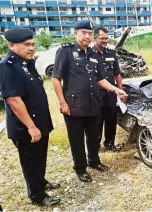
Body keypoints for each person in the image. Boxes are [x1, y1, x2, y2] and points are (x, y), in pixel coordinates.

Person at [52, 20, 127, 182]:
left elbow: (100, 79)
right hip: (74, 106)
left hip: (94, 103)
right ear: (75, 34)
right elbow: (56, 79)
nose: (87, 36)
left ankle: (94, 161)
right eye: (83, 33)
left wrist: (116, 89)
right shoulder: (66, 52)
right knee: (77, 139)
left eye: (89, 33)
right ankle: (80, 168)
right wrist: (62, 102)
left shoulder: (93, 55)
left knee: (93, 137)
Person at [0, 28, 60, 206]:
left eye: (33, 44)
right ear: (11, 45)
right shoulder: (7, 66)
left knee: (40, 157)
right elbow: (13, 100)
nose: (31, 48)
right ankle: (37, 195)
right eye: (26, 45)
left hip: (39, 122)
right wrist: (31, 127)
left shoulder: (26, 63)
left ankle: (40, 182)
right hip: (26, 128)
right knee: (30, 162)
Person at [93, 27, 123, 152]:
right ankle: (95, 146)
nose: (105, 41)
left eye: (107, 38)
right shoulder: (90, 53)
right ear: (95, 37)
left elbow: (117, 73)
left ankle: (109, 143)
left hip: (111, 93)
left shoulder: (111, 52)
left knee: (111, 119)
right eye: (102, 38)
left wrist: (120, 90)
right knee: (97, 121)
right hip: (96, 94)